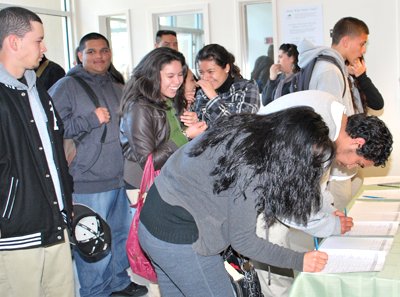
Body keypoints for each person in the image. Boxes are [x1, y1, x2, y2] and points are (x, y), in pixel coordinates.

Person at [138, 107, 335, 296]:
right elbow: (243, 241)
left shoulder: (248, 129)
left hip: (152, 222)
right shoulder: (253, 168)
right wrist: (299, 260)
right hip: (177, 236)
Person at [256, 90, 393, 296]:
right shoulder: (316, 135)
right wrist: (331, 225)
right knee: (275, 273)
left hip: (268, 181)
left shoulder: (334, 119)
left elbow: (317, 181)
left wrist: (328, 211)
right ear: (358, 143)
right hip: (255, 188)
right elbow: (290, 206)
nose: (349, 167)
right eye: (357, 162)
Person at [49, 33, 147, 297]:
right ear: (79, 55)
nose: (99, 56)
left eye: (104, 51)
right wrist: (90, 120)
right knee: (93, 244)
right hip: (87, 180)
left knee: (118, 235)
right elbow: (51, 128)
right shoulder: (66, 86)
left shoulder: (118, 87)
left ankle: (117, 283)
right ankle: (95, 292)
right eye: (91, 52)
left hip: (118, 177)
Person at [0, 6, 74, 297]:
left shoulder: (37, 88)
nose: (44, 48)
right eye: (38, 40)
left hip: (54, 223)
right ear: (14, 42)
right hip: (16, 231)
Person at [297, 17, 375, 216]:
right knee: (338, 221)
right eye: (362, 43)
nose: (363, 50)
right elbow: (328, 123)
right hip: (337, 165)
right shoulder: (329, 70)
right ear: (346, 41)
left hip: (340, 161)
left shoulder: (335, 66)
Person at [120, 47, 207, 190]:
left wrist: (189, 125)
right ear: (153, 75)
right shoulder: (138, 107)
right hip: (144, 185)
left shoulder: (169, 98)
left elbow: (173, 138)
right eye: (170, 76)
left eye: (180, 75)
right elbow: (149, 163)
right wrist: (186, 134)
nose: (178, 81)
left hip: (167, 179)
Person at [193, 43, 260, 127]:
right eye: (201, 72)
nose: (205, 78)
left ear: (227, 68)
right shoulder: (202, 93)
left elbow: (238, 127)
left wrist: (213, 97)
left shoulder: (247, 87)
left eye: (211, 71)